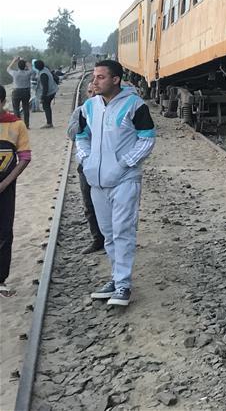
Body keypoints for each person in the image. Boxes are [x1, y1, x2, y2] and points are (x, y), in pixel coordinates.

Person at [76, 60, 155, 307]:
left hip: (124, 180)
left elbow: (147, 138)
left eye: (100, 77)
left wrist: (125, 163)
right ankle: (115, 278)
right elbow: (81, 137)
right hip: (97, 182)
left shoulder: (135, 105)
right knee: (109, 234)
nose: (94, 81)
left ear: (115, 79)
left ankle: (123, 285)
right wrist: (86, 160)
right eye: (94, 77)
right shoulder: (89, 107)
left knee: (123, 231)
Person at [0, 85, 32, 298]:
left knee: (4, 232)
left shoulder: (16, 124)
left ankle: (0, 279)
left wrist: (5, 184)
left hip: (4, 188)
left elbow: (25, 158)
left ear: (2, 102)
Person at [66, 84, 105, 254]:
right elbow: (71, 133)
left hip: (109, 164)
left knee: (111, 203)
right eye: (90, 92)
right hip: (86, 165)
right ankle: (98, 239)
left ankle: (116, 238)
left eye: (95, 91)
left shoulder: (110, 111)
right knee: (89, 204)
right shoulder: (81, 111)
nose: (92, 94)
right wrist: (82, 123)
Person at [6, 57, 32, 128]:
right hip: (26, 91)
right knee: (26, 108)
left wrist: (14, 60)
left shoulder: (15, 73)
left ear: (18, 66)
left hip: (17, 91)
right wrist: (25, 61)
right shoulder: (28, 73)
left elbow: (8, 69)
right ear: (25, 66)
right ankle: (26, 125)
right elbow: (31, 68)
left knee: (16, 109)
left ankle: (18, 125)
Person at [32, 59, 59, 128]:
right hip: (53, 90)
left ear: (37, 67)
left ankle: (49, 123)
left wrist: (42, 97)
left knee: (46, 107)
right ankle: (49, 122)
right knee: (47, 107)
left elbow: (45, 87)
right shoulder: (45, 69)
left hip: (49, 93)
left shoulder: (43, 74)